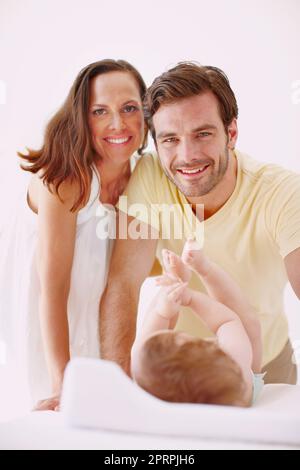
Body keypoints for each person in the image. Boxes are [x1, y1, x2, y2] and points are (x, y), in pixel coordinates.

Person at [100, 62, 300, 383]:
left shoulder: (282, 192)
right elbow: (124, 281)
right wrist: (116, 383)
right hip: (177, 372)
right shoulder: (151, 176)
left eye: (202, 134)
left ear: (231, 133)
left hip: (264, 366)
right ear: (156, 144)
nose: (187, 155)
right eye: (170, 139)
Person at [0, 59, 147, 410]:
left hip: (99, 326)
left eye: (129, 108)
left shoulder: (142, 178)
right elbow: (53, 291)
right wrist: (63, 383)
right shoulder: (63, 179)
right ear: (82, 117)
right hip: (49, 332)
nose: (118, 123)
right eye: (100, 111)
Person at [131, 239, 264, 407]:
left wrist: (163, 311)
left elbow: (146, 345)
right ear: (214, 351)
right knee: (249, 326)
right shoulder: (236, 368)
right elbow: (226, 321)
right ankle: (204, 269)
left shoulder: (151, 386)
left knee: (146, 353)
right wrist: (191, 299)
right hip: (240, 389)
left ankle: (174, 284)